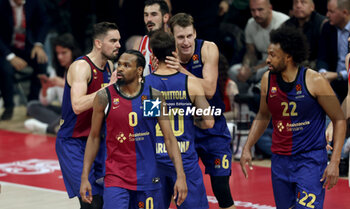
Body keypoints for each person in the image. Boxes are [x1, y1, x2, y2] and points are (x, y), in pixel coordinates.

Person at [240, 26, 346, 208]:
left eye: (273, 55)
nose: (267, 60)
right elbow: (263, 115)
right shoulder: (267, 79)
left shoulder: (315, 81)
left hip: (310, 161)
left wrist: (335, 161)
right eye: (267, 54)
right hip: (280, 161)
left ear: (288, 57)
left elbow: (339, 119)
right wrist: (247, 147)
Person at [80, 50, 187, 208]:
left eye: (126, 65)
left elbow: (169, 138)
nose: (120, 69)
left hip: (147, 178)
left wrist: (181, 175)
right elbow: (94, 137)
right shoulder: (105, 97)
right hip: (116, 177)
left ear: (139, 70)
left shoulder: (151, 97)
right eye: (119, 64)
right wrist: (84, 177)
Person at [168, 13, 236, 209]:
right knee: (180, 191)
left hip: (213, 126)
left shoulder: (208, 48)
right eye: (180, 37)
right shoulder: (166, 55)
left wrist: (181, 71)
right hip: (183, 129)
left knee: (222, 189)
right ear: (172, 37)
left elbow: (209, 90)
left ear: (195, 33)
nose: (186, 42)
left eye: (190, 36)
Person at [55, 22, 121, 209]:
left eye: (119, 40)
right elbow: (77, 105)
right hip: (73, 142)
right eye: (113, 40)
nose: (118, 45)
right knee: (90, 202)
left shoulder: (108, 65)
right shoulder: (81, 67)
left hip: (97, 141)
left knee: (102, 200)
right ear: (98, 43)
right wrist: (110, 88)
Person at [147, 30, 214, 208]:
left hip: (155, 160)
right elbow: (209, 121)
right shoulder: (191, 83)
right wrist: (191, 119)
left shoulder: (145, 84)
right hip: (184, 160)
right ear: (174, 51)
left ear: (153, 54)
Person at [0, 0, 50, 120]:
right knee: (5, 70)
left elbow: (44, 22)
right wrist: (10, 56)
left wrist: (38, 45)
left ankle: (32, 104)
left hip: (26, 44)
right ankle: (9, 106)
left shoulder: (34, 2)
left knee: (41, 61)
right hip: (5, 48)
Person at [24, 33, 82, 134]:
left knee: (75, 117)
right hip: (65, 112)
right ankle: (60, 125)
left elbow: (86, 96)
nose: (60, 57)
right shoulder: (56, 70)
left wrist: (63, 84)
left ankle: (47, 128)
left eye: (64, 53)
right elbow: (45, 102)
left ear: (73, 52)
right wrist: (45, 89)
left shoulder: (83, 67)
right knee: (32, 106)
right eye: (57, 53)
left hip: (80, 112)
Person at [228, 0, 289, 94]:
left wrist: (252, 70)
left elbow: (278, 57)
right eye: (253, 10)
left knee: (261, 74)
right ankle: (242, 102)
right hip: (260, 63)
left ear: (270, 8)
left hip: (279, 64)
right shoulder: (251, 23)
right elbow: (250, 52)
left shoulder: (282, 23)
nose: (256, 14)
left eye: (260, 10)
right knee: (233, 71)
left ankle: (253, 96)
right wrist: (245, 67)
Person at [317, 0, 350, 102]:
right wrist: (323, 72)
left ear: (344, 13)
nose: (327, 15)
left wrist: (339, 75)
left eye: (331, 11)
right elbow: (322, 56)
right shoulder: (328, 27)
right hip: (331, 82)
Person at [283, 0, 326, 69]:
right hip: (292, 66)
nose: (298, 6)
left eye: (303, 2)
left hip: (316, 67)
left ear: (312, 7)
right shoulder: (287, 25)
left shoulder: (323, 24)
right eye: (295, 2)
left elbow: (324, 57)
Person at [133, 0, 170, 76]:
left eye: (154, 14)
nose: (149, 19)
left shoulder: (175, 43)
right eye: (146, 15)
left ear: (165, 17)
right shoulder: (139, 44)